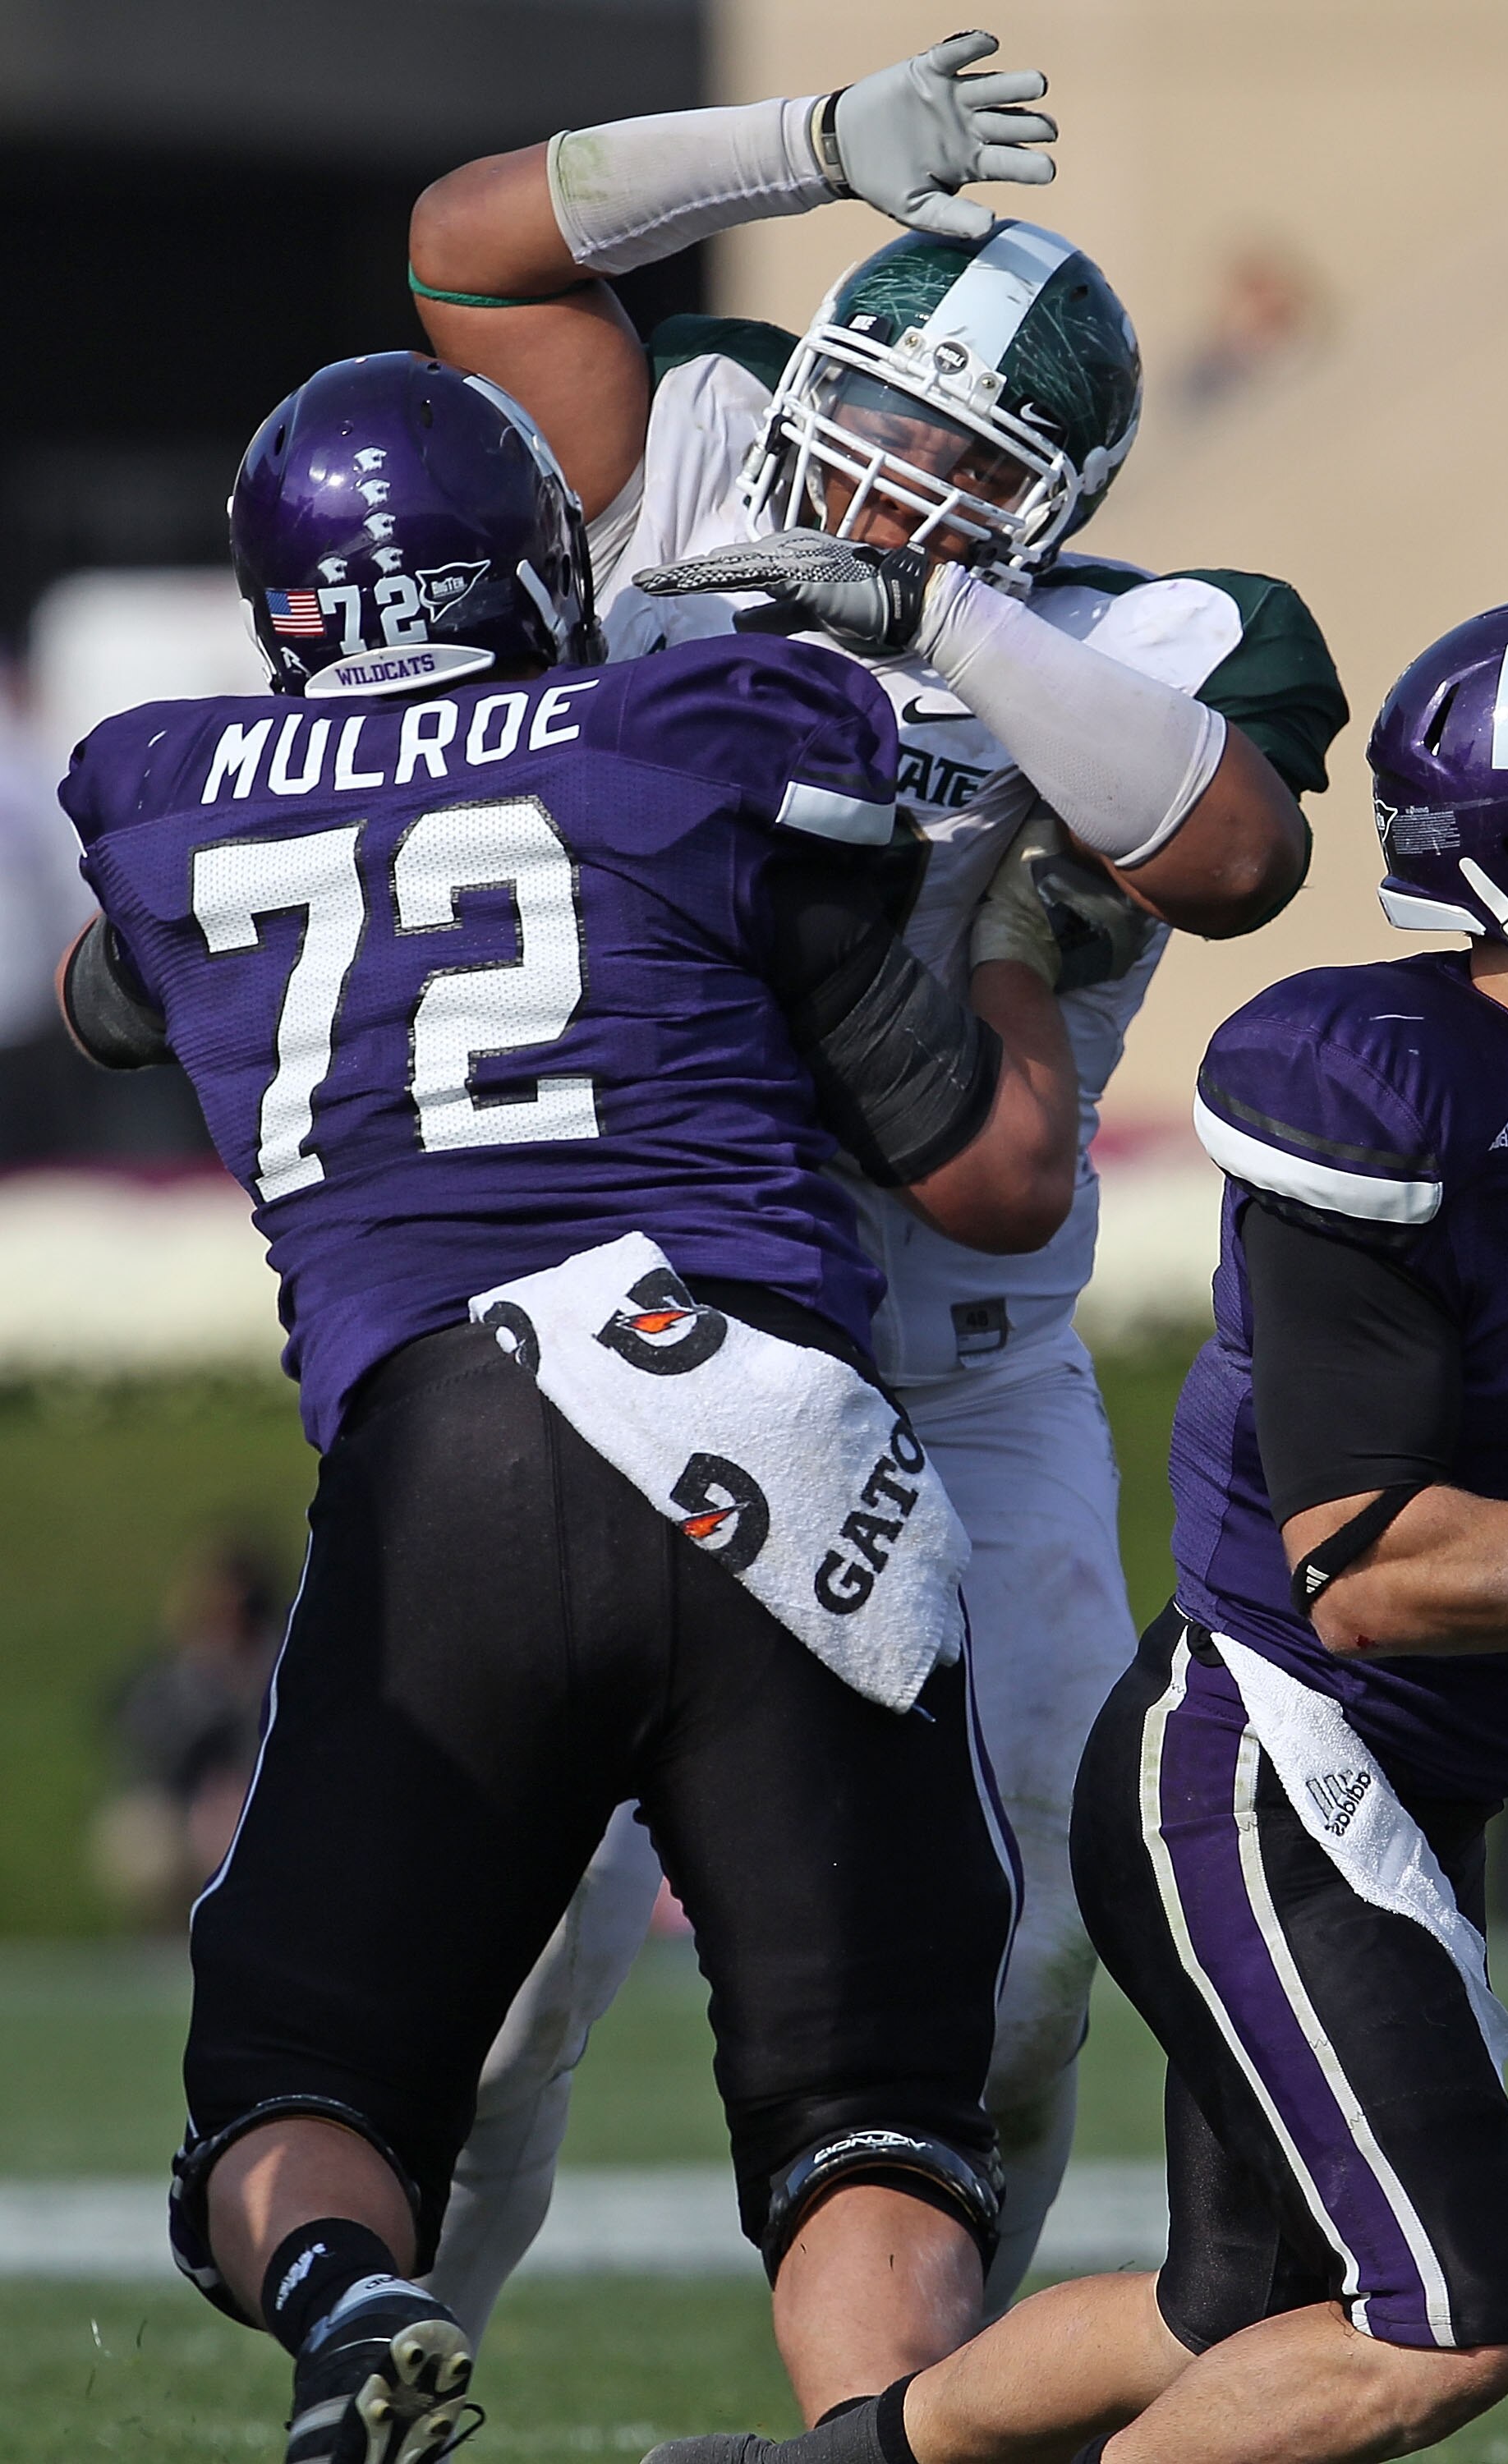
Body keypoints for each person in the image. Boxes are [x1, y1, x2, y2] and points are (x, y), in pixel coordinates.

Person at [635, 592, 1508, 2464]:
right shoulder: (1383, 1093)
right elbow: (1360, 1568)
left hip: (1416, 1778)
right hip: (1261, 1758)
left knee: (1232, 2308)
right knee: (1457, 2311)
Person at [402, 25, 1347, 2336]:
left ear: (1048, 500)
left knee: (1019, 1976)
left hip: (956, 1369)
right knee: (511, 1970)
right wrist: (807, 146)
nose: (881, 473)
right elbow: (460, 244)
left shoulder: (1152, 638)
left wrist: (940, 628)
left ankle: (908, 2421)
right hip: (648, 1336)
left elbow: (1231, 850)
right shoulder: (702, 438)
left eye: (956, 459)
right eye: (870, 406)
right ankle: (382, 2369)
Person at [57, 350, 1086, 2464]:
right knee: (867, 2106)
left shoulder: (174, 799)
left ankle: (357, 2306)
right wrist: (1003, 933)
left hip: (443, 1460)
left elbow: (111, 985)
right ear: (538, 562)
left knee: (297, 2085)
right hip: (770, 1439)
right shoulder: (697, 733)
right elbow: (936, 1131)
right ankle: (875, 2434)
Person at [91, 1539, 286, 1928]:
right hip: (179, 1805)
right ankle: (166, 1941)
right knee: (145, 1840)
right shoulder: (174, 1674)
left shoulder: (279, 1666)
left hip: (259, 1806)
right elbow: (144, 1747)